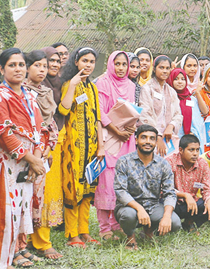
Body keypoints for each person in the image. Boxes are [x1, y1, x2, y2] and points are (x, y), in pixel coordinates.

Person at [0, 48, 48, 269]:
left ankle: (15, 254)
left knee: (20, 214)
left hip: (28, 165)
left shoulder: (30, 96)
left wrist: (36, 158)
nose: (18, 69)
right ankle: (0, 264)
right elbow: (3, 133)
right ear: (1, 69)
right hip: (6, 166)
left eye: (21, 65)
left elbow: (40, 130)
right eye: (12, 65)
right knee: (6, 215)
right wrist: (31, 159)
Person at [57, 47, 104, 247]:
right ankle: (72, 234)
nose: (88, 65)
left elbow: (98, 118)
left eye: (92, 62)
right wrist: (73, 84)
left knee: (88, 190)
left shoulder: (93, 87)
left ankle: (84, 231)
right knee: (73, 190)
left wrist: (101, 146)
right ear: (76, 62)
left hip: (91, 147)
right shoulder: (69, 83)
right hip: (72, 147)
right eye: (85, 61)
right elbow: (63, 109)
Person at [22, 50, 64, 260]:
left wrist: (50, 147)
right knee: (23, 198)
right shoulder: (20, 91)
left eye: (44, 66)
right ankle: (22, 242)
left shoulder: (46, 92)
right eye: (37, 65)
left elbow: (52, 124)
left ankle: (41, 241)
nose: (42, 70)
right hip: (24, 154)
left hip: (45, 153)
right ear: (27, 67)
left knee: (41, 198)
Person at [115, 124, 181, 250]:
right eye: (143, 137)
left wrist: (167, 216)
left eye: (151, 138)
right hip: (129, 206)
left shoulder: (163, 164)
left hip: (153, 206)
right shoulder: (124, 161)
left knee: (175, 222)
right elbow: (120, 191)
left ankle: (148, 230)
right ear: (136, 140)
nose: (147, 142)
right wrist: (139, 209)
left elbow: (169, 193)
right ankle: (130, 237)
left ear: (156, 142)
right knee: (128, 215)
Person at [94, 51, 137, 241]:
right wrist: (116, 131)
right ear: (111, 64)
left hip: (126, 139)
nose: (121, 68)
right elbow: (100, 112)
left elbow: (131, 111)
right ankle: (104, 228)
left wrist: (131, 126)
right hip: (108, 138)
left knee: (122, 182)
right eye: (117, 64)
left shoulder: (130, 85)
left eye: (124, 64)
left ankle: (117, 224)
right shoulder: (102, 82)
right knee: (106, 182)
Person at [164, 135, 210, 233]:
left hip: (192, 204)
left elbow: (208, 188)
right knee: (171, 220)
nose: (195, 154)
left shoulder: (202, 164)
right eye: (191, 150)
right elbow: (165, 188)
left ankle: (190, 223)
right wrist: (184, 195)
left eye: (197, 150)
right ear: (181, 150)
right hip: (173, 204)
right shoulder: (170, 162)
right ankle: (173, 224)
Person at [139, 55, 183, 157]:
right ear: (154, 69)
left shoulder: (171, 91)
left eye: (167, 68)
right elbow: (145, 114)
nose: (165, 71)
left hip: (169, 139)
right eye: (161, 68)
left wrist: (171, 126)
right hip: (150, 137)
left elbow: (178, 115)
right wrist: (157, 136)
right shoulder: (147, 89)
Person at [167, 68, 207, 148]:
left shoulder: (191, 99)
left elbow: (202, 115)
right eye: (176, 79)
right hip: (173, 139)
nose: (180, 82)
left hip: (191, 140)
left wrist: (193, 133)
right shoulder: (168, 98)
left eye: (183, 79)